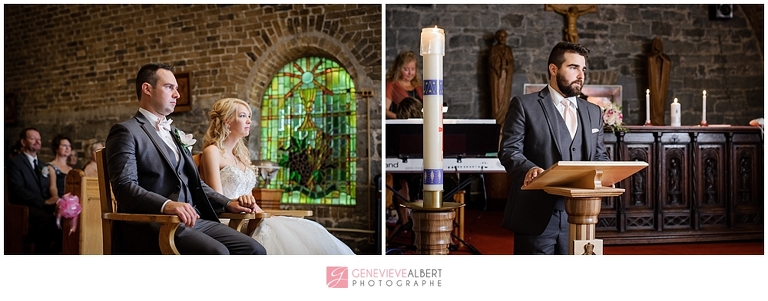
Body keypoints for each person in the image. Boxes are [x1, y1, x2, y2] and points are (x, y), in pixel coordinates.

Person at [104, 63, 266, 254]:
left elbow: (195, 183)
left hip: (195, 220)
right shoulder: (126, 131)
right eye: (169, 87)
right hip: (153, 223)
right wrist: (167, 205)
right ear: (147, 89)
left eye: (177, 89)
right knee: (218, 253)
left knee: (254, 249)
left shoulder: (174, 132)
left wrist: (228, 203)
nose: (177, 95)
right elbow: (124, 187)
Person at [199, 97, 355, 255]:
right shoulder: (212, 152)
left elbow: (249, 198)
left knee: (306, 231)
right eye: (242, 116)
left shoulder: (242, 158)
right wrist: (243, 207)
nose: (248, 121)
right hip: (229, 220)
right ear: (226, 121)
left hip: (252, 217)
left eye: (249, 117)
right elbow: (216, 200)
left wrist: (266, 215)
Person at [499, 41, 610, 255]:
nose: (581, 74)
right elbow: (509, 150)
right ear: (553, 69)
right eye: (573, 67)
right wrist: (528, 169)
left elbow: (599, 156)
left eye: (583, 68)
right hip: (536, 214)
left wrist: (607, 174)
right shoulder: (525, 105)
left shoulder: (593, 112)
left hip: (580, 215)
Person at [6, 128, 62, 253]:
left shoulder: (42, 164)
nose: (38, 141)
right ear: (23, 142)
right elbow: (18, 190)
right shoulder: (14, 163)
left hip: (42, 206)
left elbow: (46, 188)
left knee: (64, 218)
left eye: (39, 139)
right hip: (25, 207)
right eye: (32, 138)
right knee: (48, 221)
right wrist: (44, 202)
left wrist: (56, 203)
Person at [385, 50, 423, 119]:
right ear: (398, 69)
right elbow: (385, 111)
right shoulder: (391, 85)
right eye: (406, 69)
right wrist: (401, 119)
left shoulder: (418, 86)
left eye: (413, 69)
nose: (410, 73)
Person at [489, 29, 514, 126]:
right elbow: (491, 61)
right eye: (500, 36)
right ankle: (496, 121)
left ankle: (503, 122)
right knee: (496, 98)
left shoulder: (508, 49)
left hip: (506, 77)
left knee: (505, 97)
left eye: (504, 36)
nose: (502, 38)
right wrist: (498, 66)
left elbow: (511, 63)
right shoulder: (494, 49)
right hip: (496, 77)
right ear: (497, 37)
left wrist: (506, 67)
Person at [44, 134, 73, 199]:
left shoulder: (71, 169)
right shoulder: (51, 166)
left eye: (69, 146)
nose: (67, 148)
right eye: (64, 145)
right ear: (56, 148)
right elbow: (52, 187)